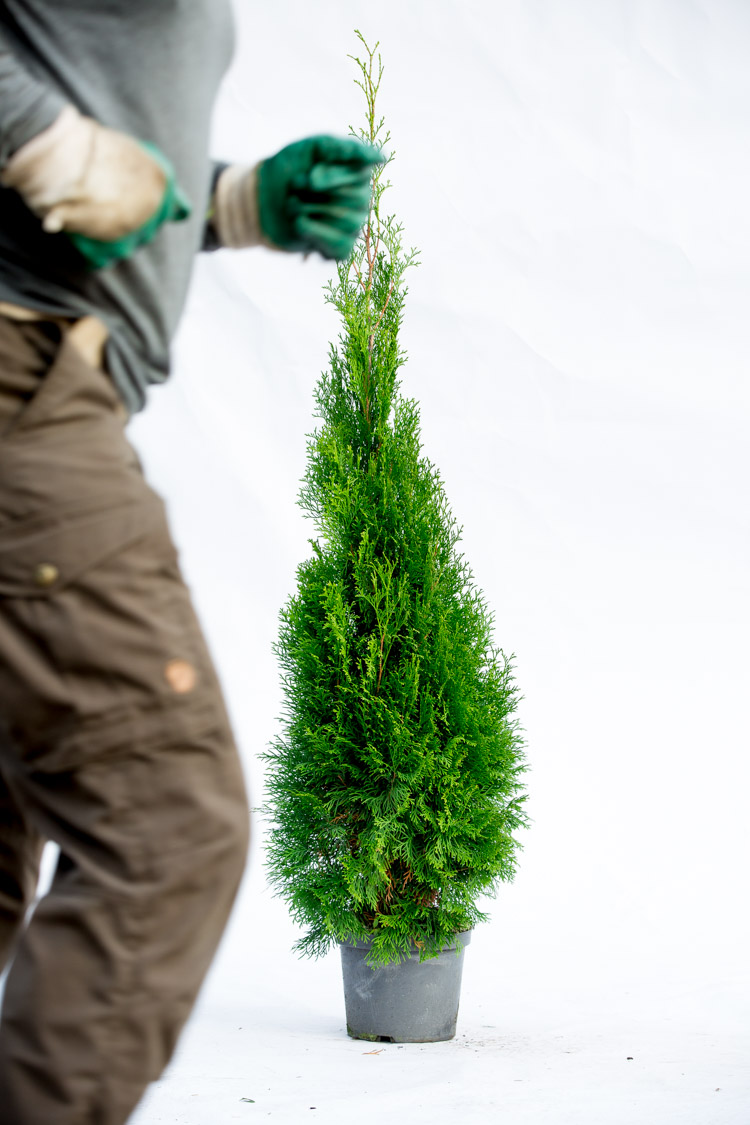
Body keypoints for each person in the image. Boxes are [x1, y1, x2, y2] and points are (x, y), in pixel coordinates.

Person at [0, 4, 381, 1122]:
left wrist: (231, 202)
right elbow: (56, 139)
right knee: (166, 825)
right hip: (20, 389)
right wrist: (44, 140)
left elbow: (94, 112)